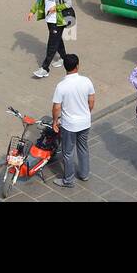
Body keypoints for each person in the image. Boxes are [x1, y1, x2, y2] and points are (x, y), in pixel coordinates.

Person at [51, 53, 95, 188]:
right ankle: (84, 174)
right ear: (77, 66)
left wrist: (54, 122)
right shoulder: (86, 81)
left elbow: (56, 107)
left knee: (68, 152)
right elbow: (91, 100)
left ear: (65, 67)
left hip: (69, 125)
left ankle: (69, 180)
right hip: (85, 122)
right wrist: (86, 113)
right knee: (83, 148)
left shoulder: (61, 86)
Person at [27, 0, 71, 78]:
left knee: (52, 44)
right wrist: (32, 11)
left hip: (58, 20)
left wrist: (56, 8)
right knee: (57, 40)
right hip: (49, 20)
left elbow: (69, 3)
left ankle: (45, 68)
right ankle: (64, 58)